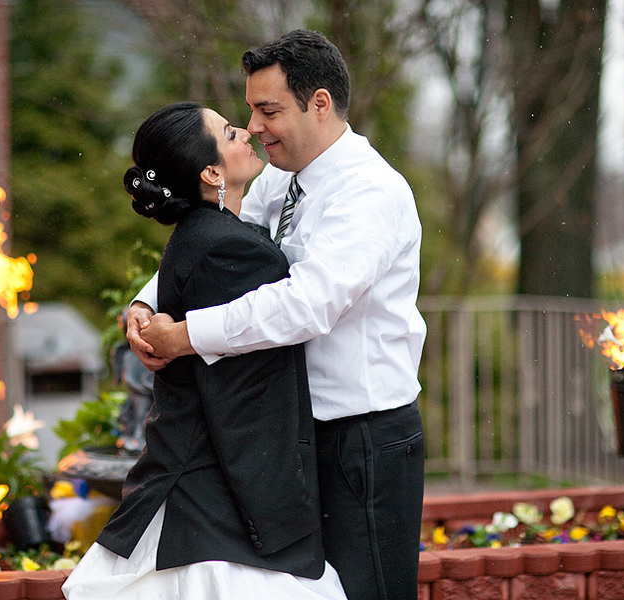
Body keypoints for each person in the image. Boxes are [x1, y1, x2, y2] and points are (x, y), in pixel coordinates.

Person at [128, 30, 426, 600]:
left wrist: (186, 335)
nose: (256, 127)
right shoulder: (283, 176)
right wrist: (147, 304)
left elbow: (306, 304)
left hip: (363, 439)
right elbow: (220, 234)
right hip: (296, 436)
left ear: (320, 103)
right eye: (251, 111)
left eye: (269, 111)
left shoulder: (370, 192)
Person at [62, 102, 348, 600]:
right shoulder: (230, 248)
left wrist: (146, 305)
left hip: (195, 477)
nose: (248, 133)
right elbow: (245, 401)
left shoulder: (200, 233)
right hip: (219, 493)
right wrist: (278, 508)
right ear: (212, 173)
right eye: (232, 132)